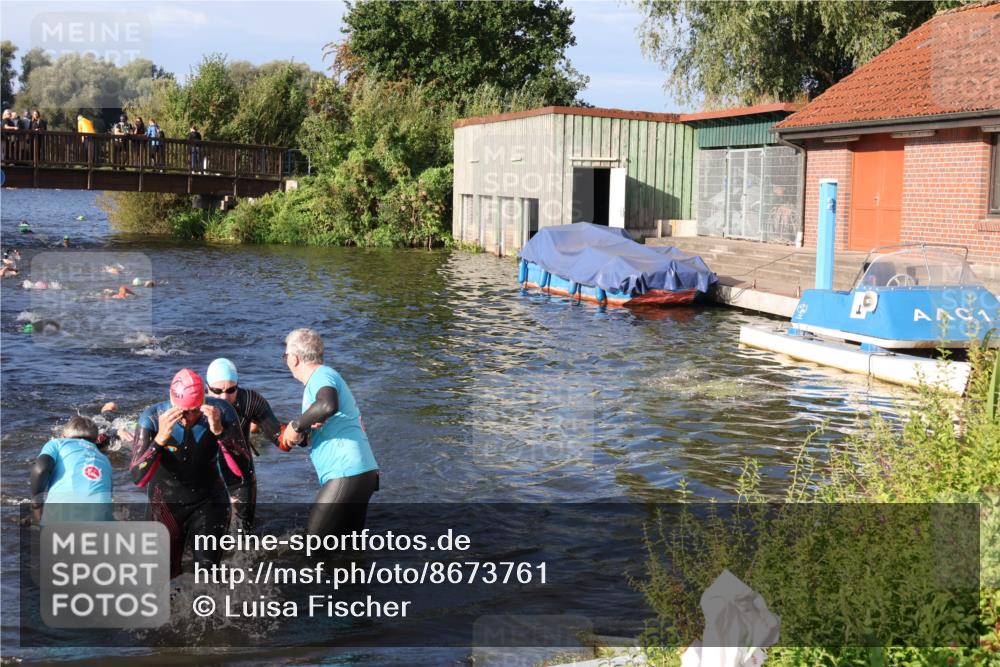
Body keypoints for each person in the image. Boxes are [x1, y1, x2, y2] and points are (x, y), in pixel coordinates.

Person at [130, 368, 252, 578]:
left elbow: (242, 471)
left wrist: (219, 432)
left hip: (209, 502)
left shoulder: (221, 412)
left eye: (195, 410)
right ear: (171, 398)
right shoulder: (151, 418)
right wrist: (160, 440)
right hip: (165, 506)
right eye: (183, 411)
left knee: (207, 575)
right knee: (165, 576)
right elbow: (138, 478)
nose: (189, 417)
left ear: (204, 399)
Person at [282, 328, 379, 538]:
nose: (286, 360)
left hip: (346, 473)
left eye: (285, 356)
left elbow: (327, 405)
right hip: (362, 473)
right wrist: (301, 436)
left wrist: (297, 425)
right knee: (346, 550)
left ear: (295, 359)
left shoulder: (321, 374)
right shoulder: (322, 381)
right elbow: (322, 416)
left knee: (312, 545)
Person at [205, 358, 283, 531]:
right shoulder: (196, 405)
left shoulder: (249, 401)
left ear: (238, 386)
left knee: (241, 538)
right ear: (206, 388)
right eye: (217, 391)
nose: (224, 397)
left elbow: (281, 439)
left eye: (231, 390)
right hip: (206, 475)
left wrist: (302, 430)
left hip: (240, 473)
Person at [30, 416, 113, 525]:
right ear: (95, 440)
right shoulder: (104, 459)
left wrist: (36, 502)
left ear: (63, 436)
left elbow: (41, 469)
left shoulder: (57, 443)